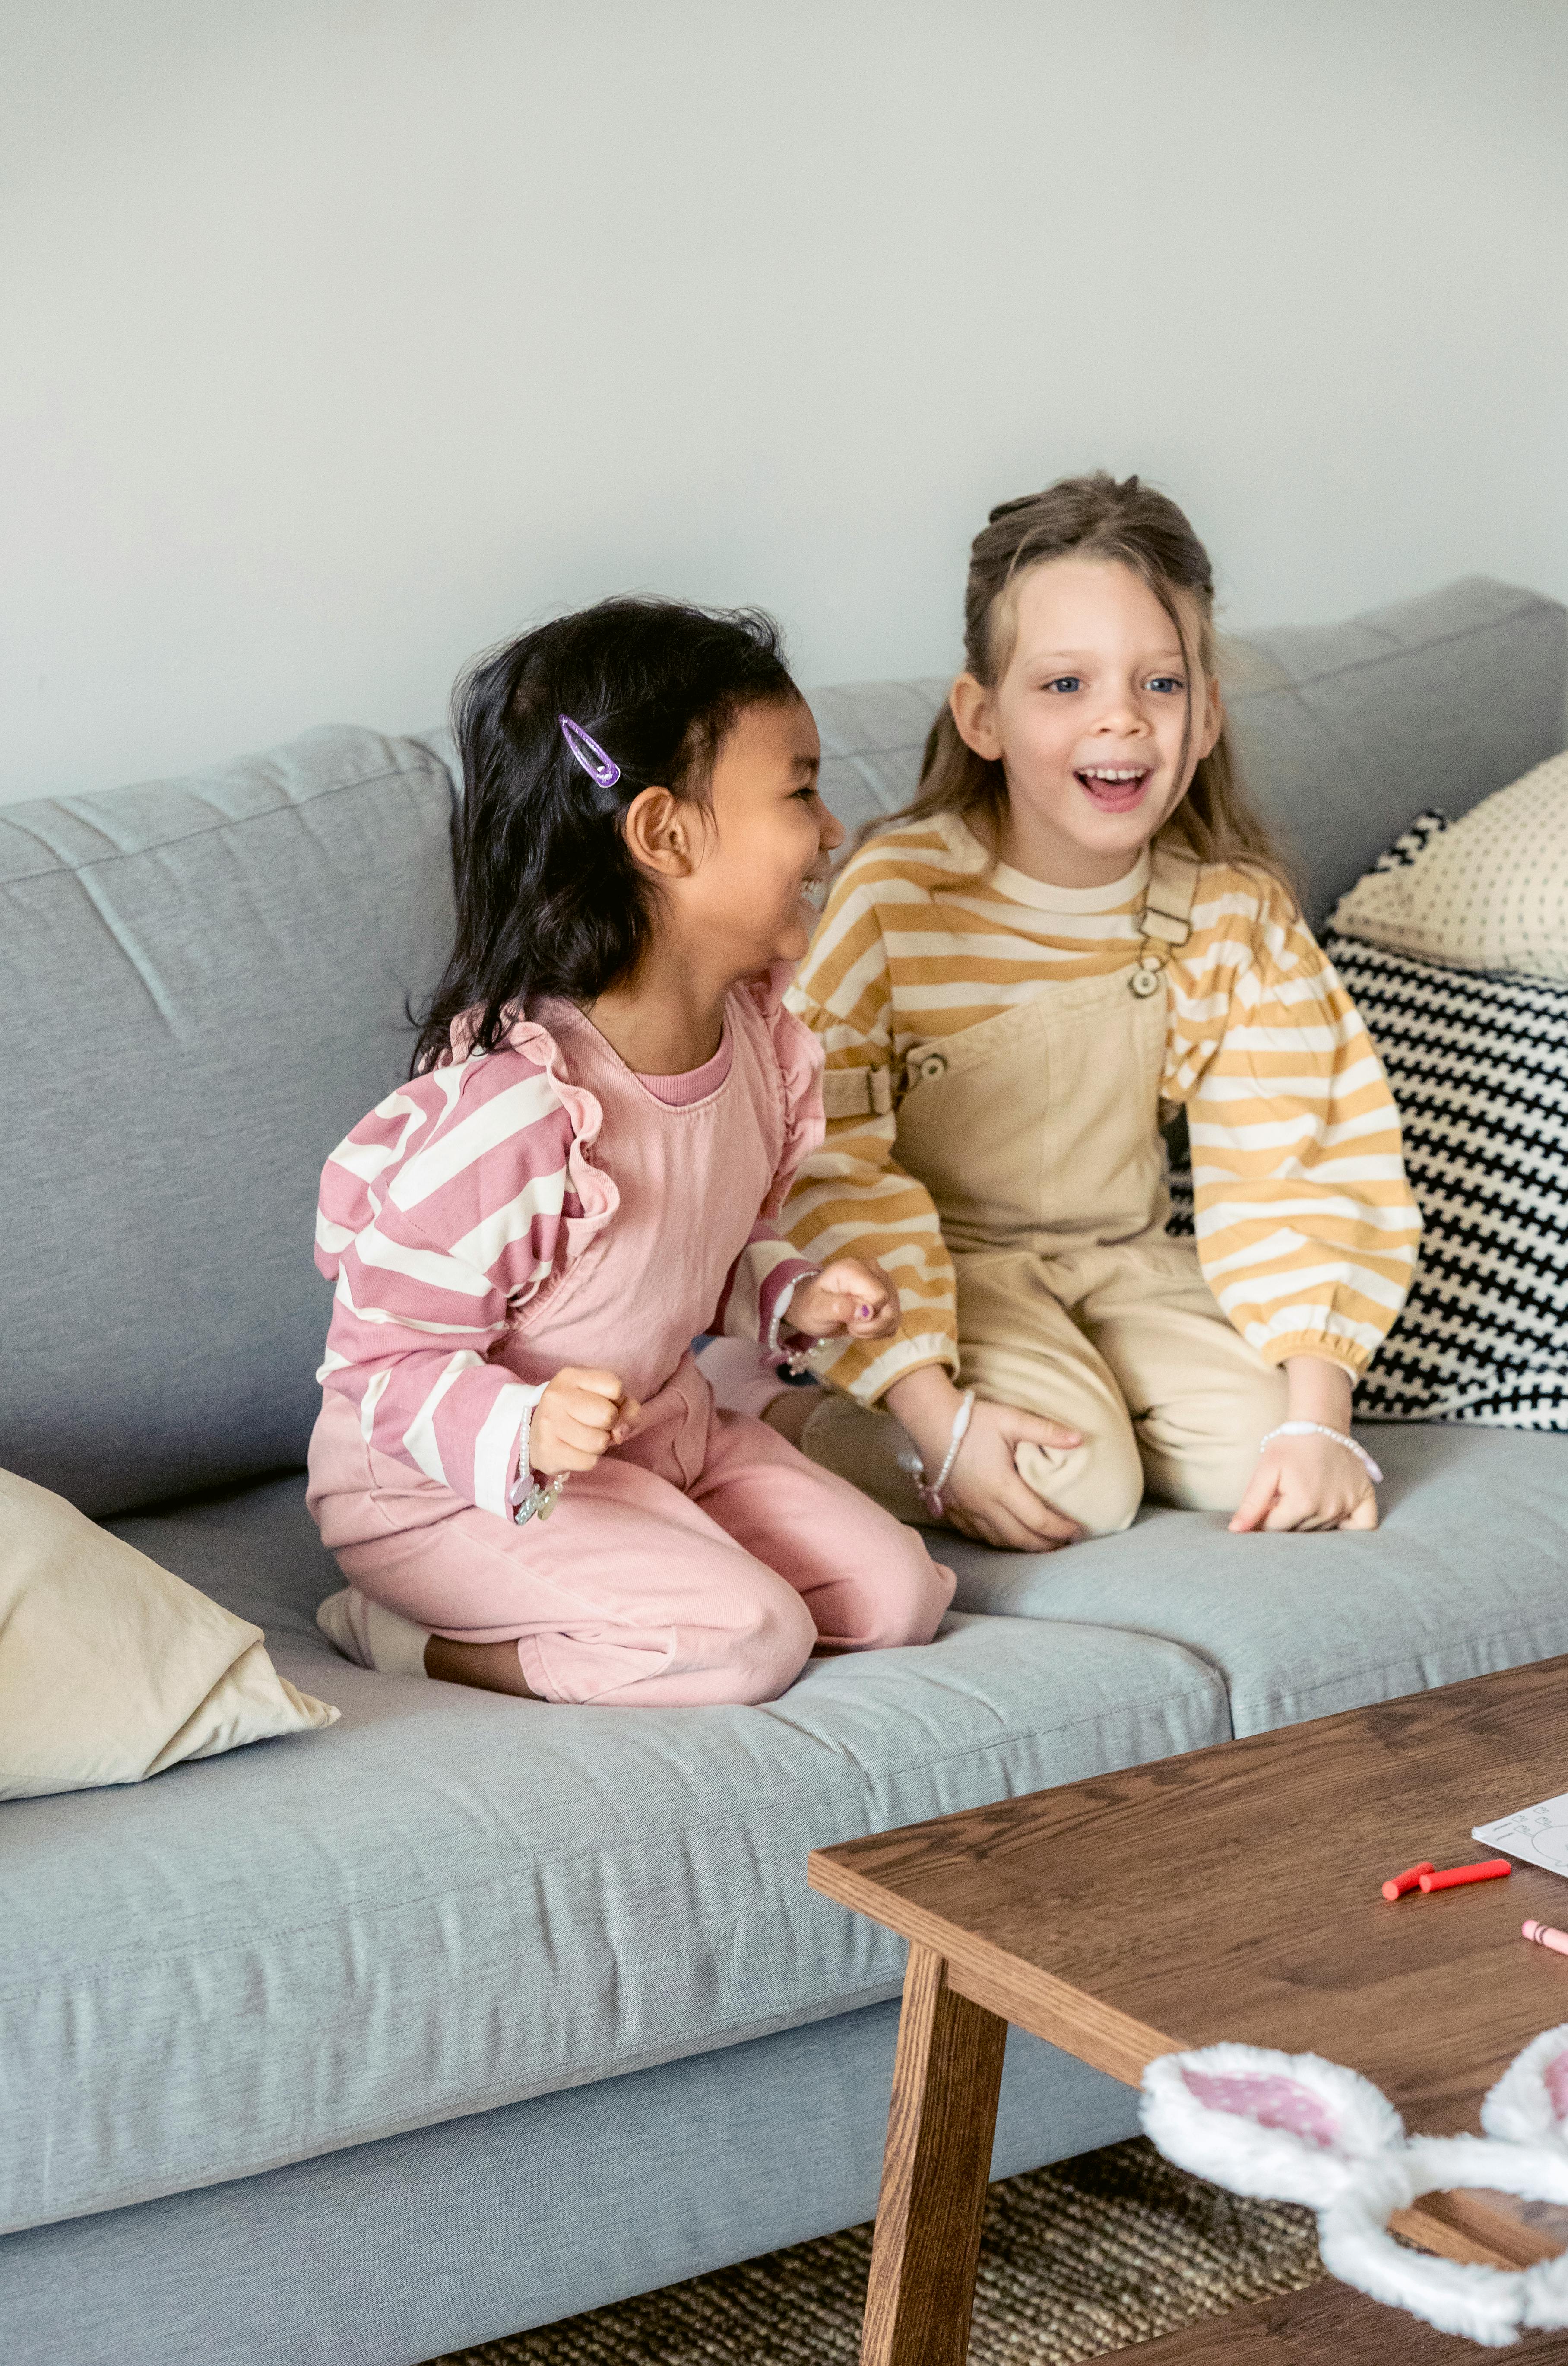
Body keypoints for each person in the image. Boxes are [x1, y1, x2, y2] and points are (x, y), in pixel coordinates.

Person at [704, 474, 1420, 1546]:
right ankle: (772, 1414)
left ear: (1207, 711)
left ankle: (1153, 1404)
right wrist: (924, 1403)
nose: (1120, 717)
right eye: (1066, 683)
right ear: (982, 717)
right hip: (936, 1280)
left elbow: (1298, 1159)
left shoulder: (1230, 913)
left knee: (1261, 1449)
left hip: (1128, 1267)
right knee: (1079, 1487)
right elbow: (825, 1158)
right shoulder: (897, 897)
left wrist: (1319, 1423)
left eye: (1161, 684)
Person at [307, 598, 954, 1705]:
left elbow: (699, 1251)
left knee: (896, 1597)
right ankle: (403, 1636)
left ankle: (666, 1552)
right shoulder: (517, 1114)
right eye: (800, 790)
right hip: (442, 1487)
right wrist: (524, 1424)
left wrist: (790, 1293)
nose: (833, 829)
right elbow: (376, 1365)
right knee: (746, 1640)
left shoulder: (762, 1047)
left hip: (657, 1438)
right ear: (662, 836)